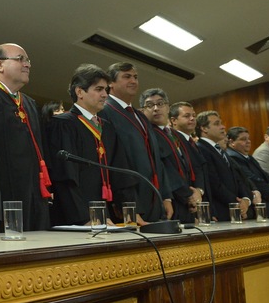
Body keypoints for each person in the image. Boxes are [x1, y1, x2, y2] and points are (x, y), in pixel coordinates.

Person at [0, 44, 52, 231]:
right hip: (1, 193)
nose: (27, 65)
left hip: (34, 193)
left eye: (28, 61)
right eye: (20, 59)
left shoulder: (29, 103)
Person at [48, 64, 136, 225]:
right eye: (99, 89)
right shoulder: (63, 124)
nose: (105, 95)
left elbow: (120, 172)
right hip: (77, 217)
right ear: (79, 92)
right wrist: (85, 218)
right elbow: (65, 177)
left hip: (107, 215)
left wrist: (128, 211)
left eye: (106, 90)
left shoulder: (107, 127)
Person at [100, 62, 167, 222]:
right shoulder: (104, 111)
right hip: (130, 203)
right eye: (127, 76)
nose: (133, 81)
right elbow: (115, 163)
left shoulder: (141, 116)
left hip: (154, 199)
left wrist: (166, 197)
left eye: (135, 77)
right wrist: (128, 206)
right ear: (111, 83)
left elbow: (156, 158)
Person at [139, 88, 201, 223]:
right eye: (150, 105)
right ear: (143, 111)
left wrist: (198, 191)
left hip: (190, 202)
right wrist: (189, 195)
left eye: (160, 104)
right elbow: (166, 169)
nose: (156, 108)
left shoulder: (176, 135)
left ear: (168, 107)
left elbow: (195, 165)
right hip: (170, 201)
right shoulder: (147, 136)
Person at [195, 111, 252, 221]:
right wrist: (237, 203)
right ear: (204, 128)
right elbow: (214, 183)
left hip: (234, 210)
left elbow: (237, 178)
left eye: (221, 123)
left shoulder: (219, 150)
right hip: (220, 211)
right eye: (217, 124)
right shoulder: (201, 148)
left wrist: (245, 200)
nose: (223, 127)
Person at [226, 126, 269, 218]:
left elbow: (265, 175)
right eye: (243, 139)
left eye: (248, 138)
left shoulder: (249, 157)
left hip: (267, 203)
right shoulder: (232, 157)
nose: (248, 141)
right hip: (257, 205)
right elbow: (252, 179)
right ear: (231, 142)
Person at [168, 101, 209, 204]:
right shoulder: (172, 140)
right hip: (182, 201)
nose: (192, 118)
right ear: (174, 120)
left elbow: (199, 169)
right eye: (187, 116)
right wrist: (190, 196)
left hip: (199, 199)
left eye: (194, 115)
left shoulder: (192, 142)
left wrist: (199, 191)